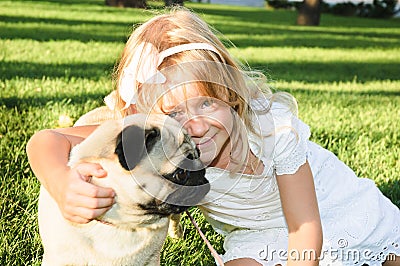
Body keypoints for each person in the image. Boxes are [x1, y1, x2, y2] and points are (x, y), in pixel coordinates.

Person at [27, 8, 400, 266]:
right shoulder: (150, 136)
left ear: (229, 93)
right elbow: (47, 140)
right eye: (173, 113)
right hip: (256, 233)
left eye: (206, 103)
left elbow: (306, 229)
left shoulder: (273, 132)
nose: (196, 125)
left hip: (328, 209)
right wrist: (61, 184)